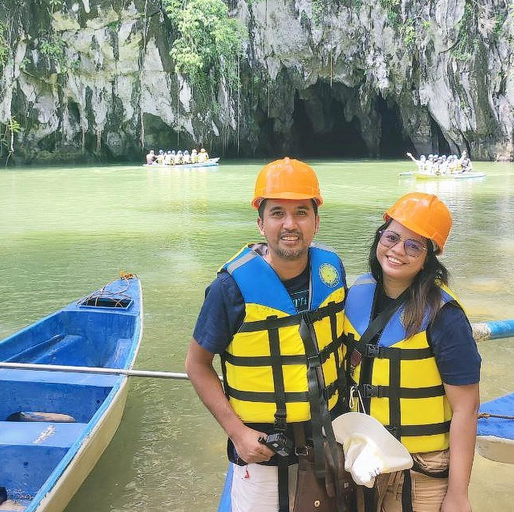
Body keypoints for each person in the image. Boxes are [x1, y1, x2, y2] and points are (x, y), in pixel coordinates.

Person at [185, 157, 349, 512]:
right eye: (277, 213)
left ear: (316, 222)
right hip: (263, 449)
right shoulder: (230, 289)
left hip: (328, 440)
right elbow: (197, 365)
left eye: (301, 213)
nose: (290, 225)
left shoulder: (331, 271)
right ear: (261, 223)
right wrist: (237, 433)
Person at [344, 192, 481, 512]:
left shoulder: (444, 316)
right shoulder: (356, 295)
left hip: (422, 468)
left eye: (413, 245)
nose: (397, 250)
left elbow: (467, 409)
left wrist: (458, 495)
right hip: (363, 459)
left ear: (429, 257)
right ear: (380, 237)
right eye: (391, 237)